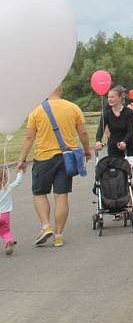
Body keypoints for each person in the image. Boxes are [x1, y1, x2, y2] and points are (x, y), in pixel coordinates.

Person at [16, 85, 92, 248]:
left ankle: (46, 226)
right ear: (61, 90)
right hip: (67, 159)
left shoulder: (36, 110)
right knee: (61, 195)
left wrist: (22, 159)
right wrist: (86, 150)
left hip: (43, 158)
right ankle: (58, 236)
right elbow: (83, 133)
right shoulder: (73, 108)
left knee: (39, 193)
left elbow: (29, 138)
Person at [95, 85, 133, 158]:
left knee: (126, 169)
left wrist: (124, 142)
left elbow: (130, 131)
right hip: (113, 147)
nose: (110, 99)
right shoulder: (106, 114)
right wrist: (98, 141)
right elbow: (100, 129)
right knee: (113, 169)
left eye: (112, 97)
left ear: (120, 98)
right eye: (108, 97)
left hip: (128, 146)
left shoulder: (129, 113)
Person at [1, 168, 24, 255]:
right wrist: (20, 172)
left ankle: (8, 241)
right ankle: (9, 240)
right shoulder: (8, 188)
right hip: (5, 215)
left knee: (2, 231)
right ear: (6, 178)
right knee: (5, 231)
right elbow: (17, 182)